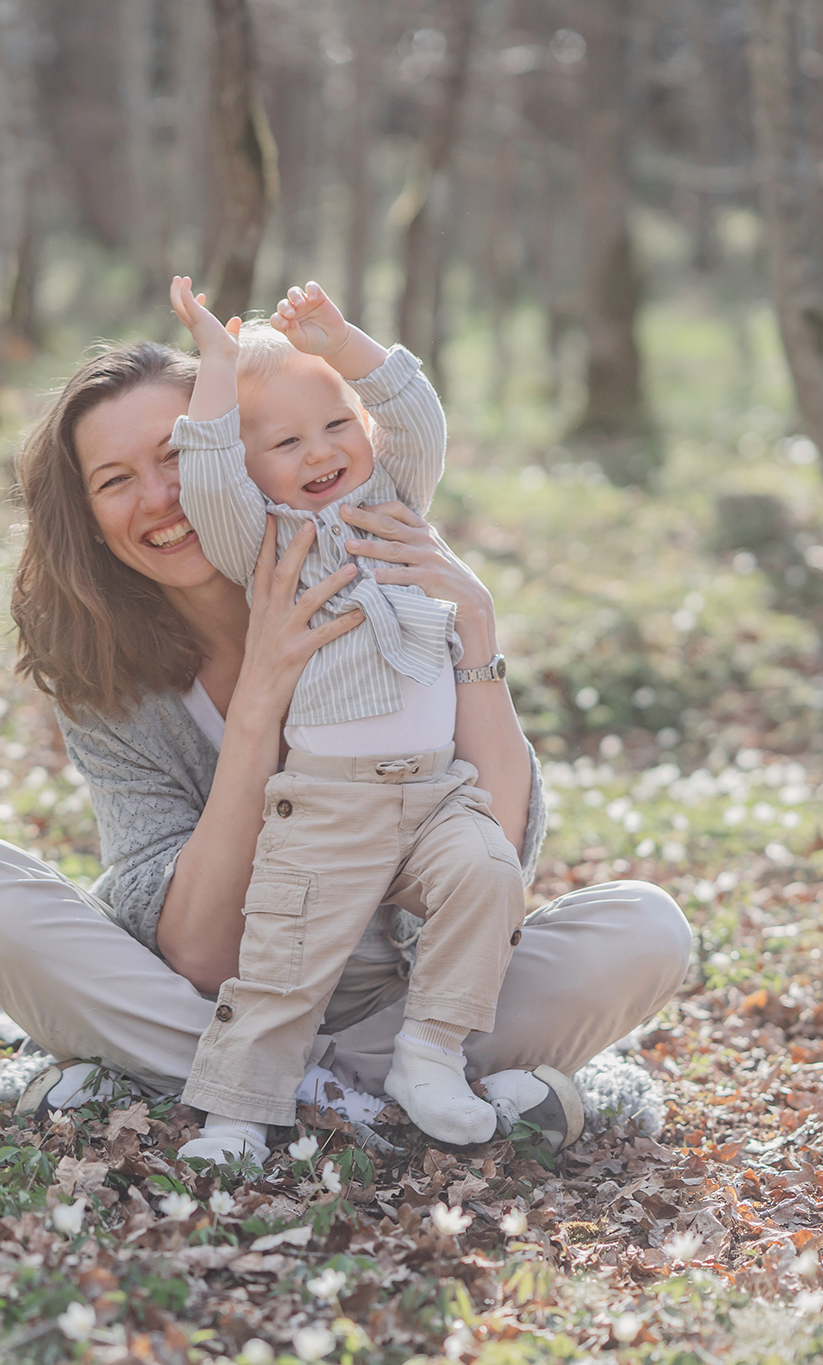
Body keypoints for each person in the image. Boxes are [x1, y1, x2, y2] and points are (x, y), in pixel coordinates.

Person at [0, 333, 691, 1164]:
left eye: (181, 454)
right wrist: (257, 710)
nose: (158, 498)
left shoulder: (379, 587)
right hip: (218, 1000)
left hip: (397, 1001)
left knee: (646, 928)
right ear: (92, 523)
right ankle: (364, 1099)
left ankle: (242, 1089)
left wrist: (476, 639)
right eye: (114, 482)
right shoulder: (112, 682)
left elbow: (497, 853)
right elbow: (200, 954)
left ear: (239, 446)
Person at [163, 276, 523, 1162]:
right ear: (251, 469)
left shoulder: (397, 497)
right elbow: (205, 473)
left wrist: (343, 344)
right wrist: (216, 365)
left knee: (487, 870)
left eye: (335, 424)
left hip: (438, 791)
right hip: (330, 798)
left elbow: (418, 416)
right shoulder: (259, 538)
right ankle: (239, 1112)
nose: (321, 451)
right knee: (286, 960)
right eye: (284, 442)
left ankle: (429, 1053)